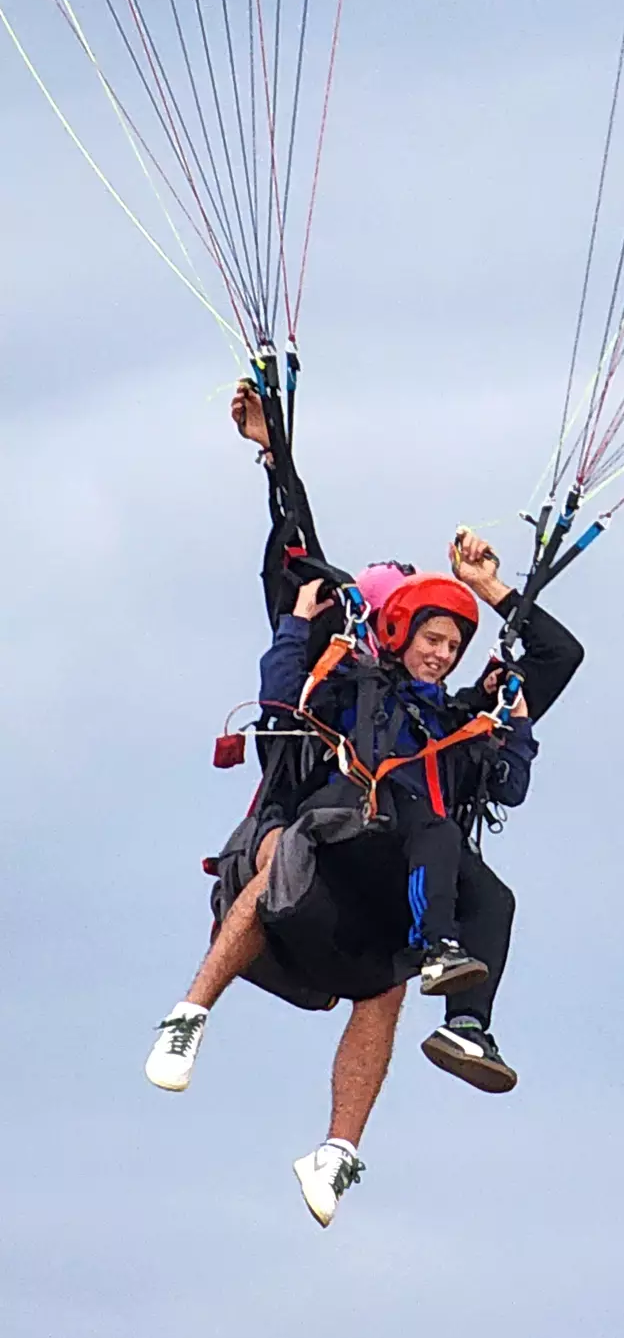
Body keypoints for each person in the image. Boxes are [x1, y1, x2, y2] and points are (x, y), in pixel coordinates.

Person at [144, 388, 584, 1226]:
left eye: (454, 646)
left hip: (392, 887)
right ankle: (189, 1014)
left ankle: (365, 1123)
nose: (444, 652)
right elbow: (298, 556)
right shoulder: (354, 687)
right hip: (333, 842)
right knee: (306, 859)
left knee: (458, 913)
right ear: (399, 632)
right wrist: (276, 453)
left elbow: (560, 654)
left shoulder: (463, 719)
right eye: (431, 636)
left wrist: (492, 590)